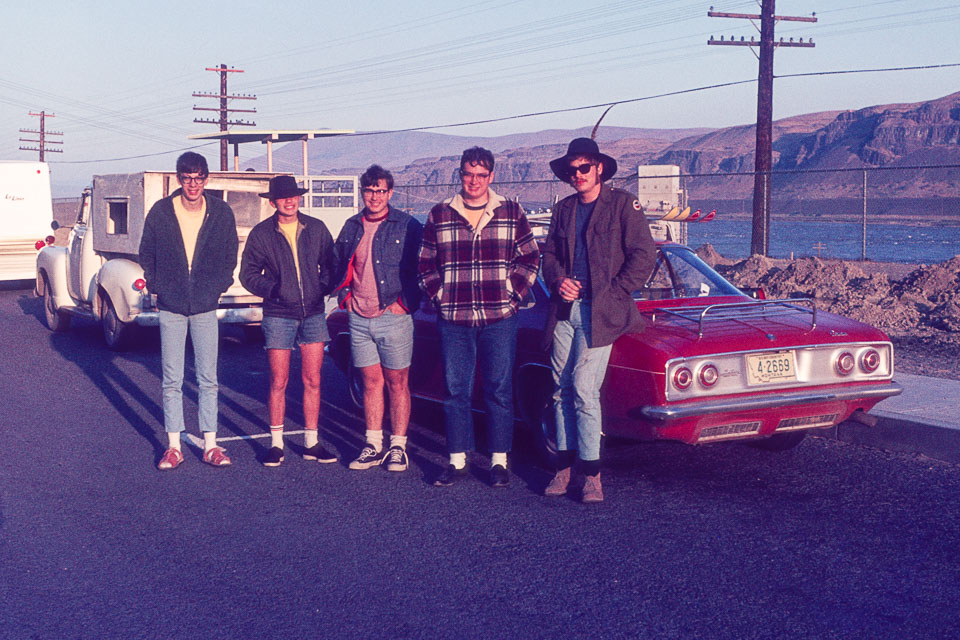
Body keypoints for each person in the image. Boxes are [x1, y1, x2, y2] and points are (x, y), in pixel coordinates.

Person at [540, 138, 657, 503]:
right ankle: (564, 467)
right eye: (572, 170)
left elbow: (644, 256)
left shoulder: (623, 205)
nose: (577, 175)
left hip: (602, 313)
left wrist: (615, 293)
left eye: (584, 168)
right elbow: (550, 256)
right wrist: (558, 280)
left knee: (584, 388)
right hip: (564, 311)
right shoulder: (564, 209)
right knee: (560, 388)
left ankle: (591, 475)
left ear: (599, 169)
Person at [418, 147, 540, 488]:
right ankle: (458, 462)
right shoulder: (440, 214)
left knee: (498, 389)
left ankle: (499, 461)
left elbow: (530, 257)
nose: (474, 181)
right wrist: (441, 296)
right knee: (456, 390)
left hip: (499, 317)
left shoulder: (511, 212)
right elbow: (425, 264)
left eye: (481, 175)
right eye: (468, 174)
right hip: (453, 318)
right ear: (460, 174)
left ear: (491, 177)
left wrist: (512, 295)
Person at [139, 152, 239, 470]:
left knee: (208, 378)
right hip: (171, 305)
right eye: (187, 178)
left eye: (198, 178)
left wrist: (217, 286)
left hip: (205, 305)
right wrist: (159, 286)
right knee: (172, 379)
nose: (193, 184)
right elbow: (147, 252)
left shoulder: (221, 212)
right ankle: (173, 446)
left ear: (206, 180)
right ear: (179, 179)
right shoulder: (161, 212)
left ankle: (211, 445)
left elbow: (229, 254)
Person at [239, 175, 338, 467]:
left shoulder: (316, 228)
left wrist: (322, 286)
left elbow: (332, 265)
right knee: (279, 380)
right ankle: (277, 444)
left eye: (294, 196)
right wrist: (273, 290)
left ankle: (311, 443)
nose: (290, 201)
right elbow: (248, 274)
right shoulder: (261, 234)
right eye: (283, 197)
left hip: (314, 313)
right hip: (278, 314)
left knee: (313, 380)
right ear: (273, 202)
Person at [333, 165, 422, 472]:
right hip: (358, 316)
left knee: (398, 383)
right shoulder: (351, 225)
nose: (374, 196)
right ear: (363, 192)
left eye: (380, 190)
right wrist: (344, 297)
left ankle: (398, 447)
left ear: (390, 193)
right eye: (369, 190)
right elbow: (337, 264)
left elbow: (423, 268)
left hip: (393, 316)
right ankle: (373, 444)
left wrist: (404, 303)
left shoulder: (407, 225)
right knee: (370, 383)